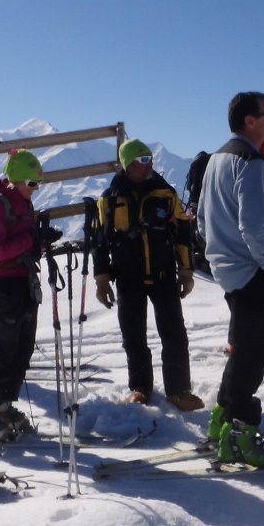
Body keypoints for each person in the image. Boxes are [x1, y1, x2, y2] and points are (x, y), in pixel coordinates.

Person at [197, 91, 264, 468]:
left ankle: (223, 419)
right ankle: (239, 436)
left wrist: (221, 254)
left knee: (243, 347)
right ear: (250, 120)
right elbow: (253, 223)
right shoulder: (250, 161)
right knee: (252, 353)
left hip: (228, 269)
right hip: (252, 271)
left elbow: (202, 218)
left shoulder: (218, 158)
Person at [92, 139, 203, 411]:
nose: (149, 164)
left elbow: (183, 233)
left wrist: (186, 272)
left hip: (163, 274)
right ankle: (140, 387)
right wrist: (102, 279)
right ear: (127, 164)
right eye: (142, 160)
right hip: (127, 277)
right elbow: (99, 241)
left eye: (150, 158)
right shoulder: (109, 199)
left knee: (174, 334)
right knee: (133, 336)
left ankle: (179, 390)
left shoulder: (166, 194)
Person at [0, 150, 59, 442]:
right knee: (3, 348)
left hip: (24, 281)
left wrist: (40, 241)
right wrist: (31, 239)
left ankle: (2, 405)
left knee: (22, 347)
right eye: (31, 183)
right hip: (3, 284)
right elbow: (0, 250)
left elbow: (23, 245)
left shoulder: (23, 203)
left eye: (38, 184)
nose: (35, 189)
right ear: (16, 179)